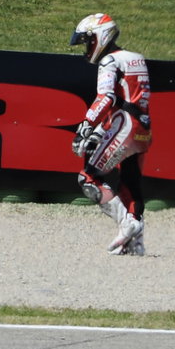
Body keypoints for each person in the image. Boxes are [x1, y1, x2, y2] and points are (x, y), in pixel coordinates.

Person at [69, 13, 153, 255]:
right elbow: (129, 99)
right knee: (130, 183)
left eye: (88, 41)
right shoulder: (136, 59)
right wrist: (100, 130)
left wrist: (86, 125)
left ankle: (129, 225)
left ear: (100, 36)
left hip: (124, 125)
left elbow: (106, 97)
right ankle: (135, 244)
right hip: (143, 128)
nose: (87, 48)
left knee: (88, 179)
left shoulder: (110, 61)